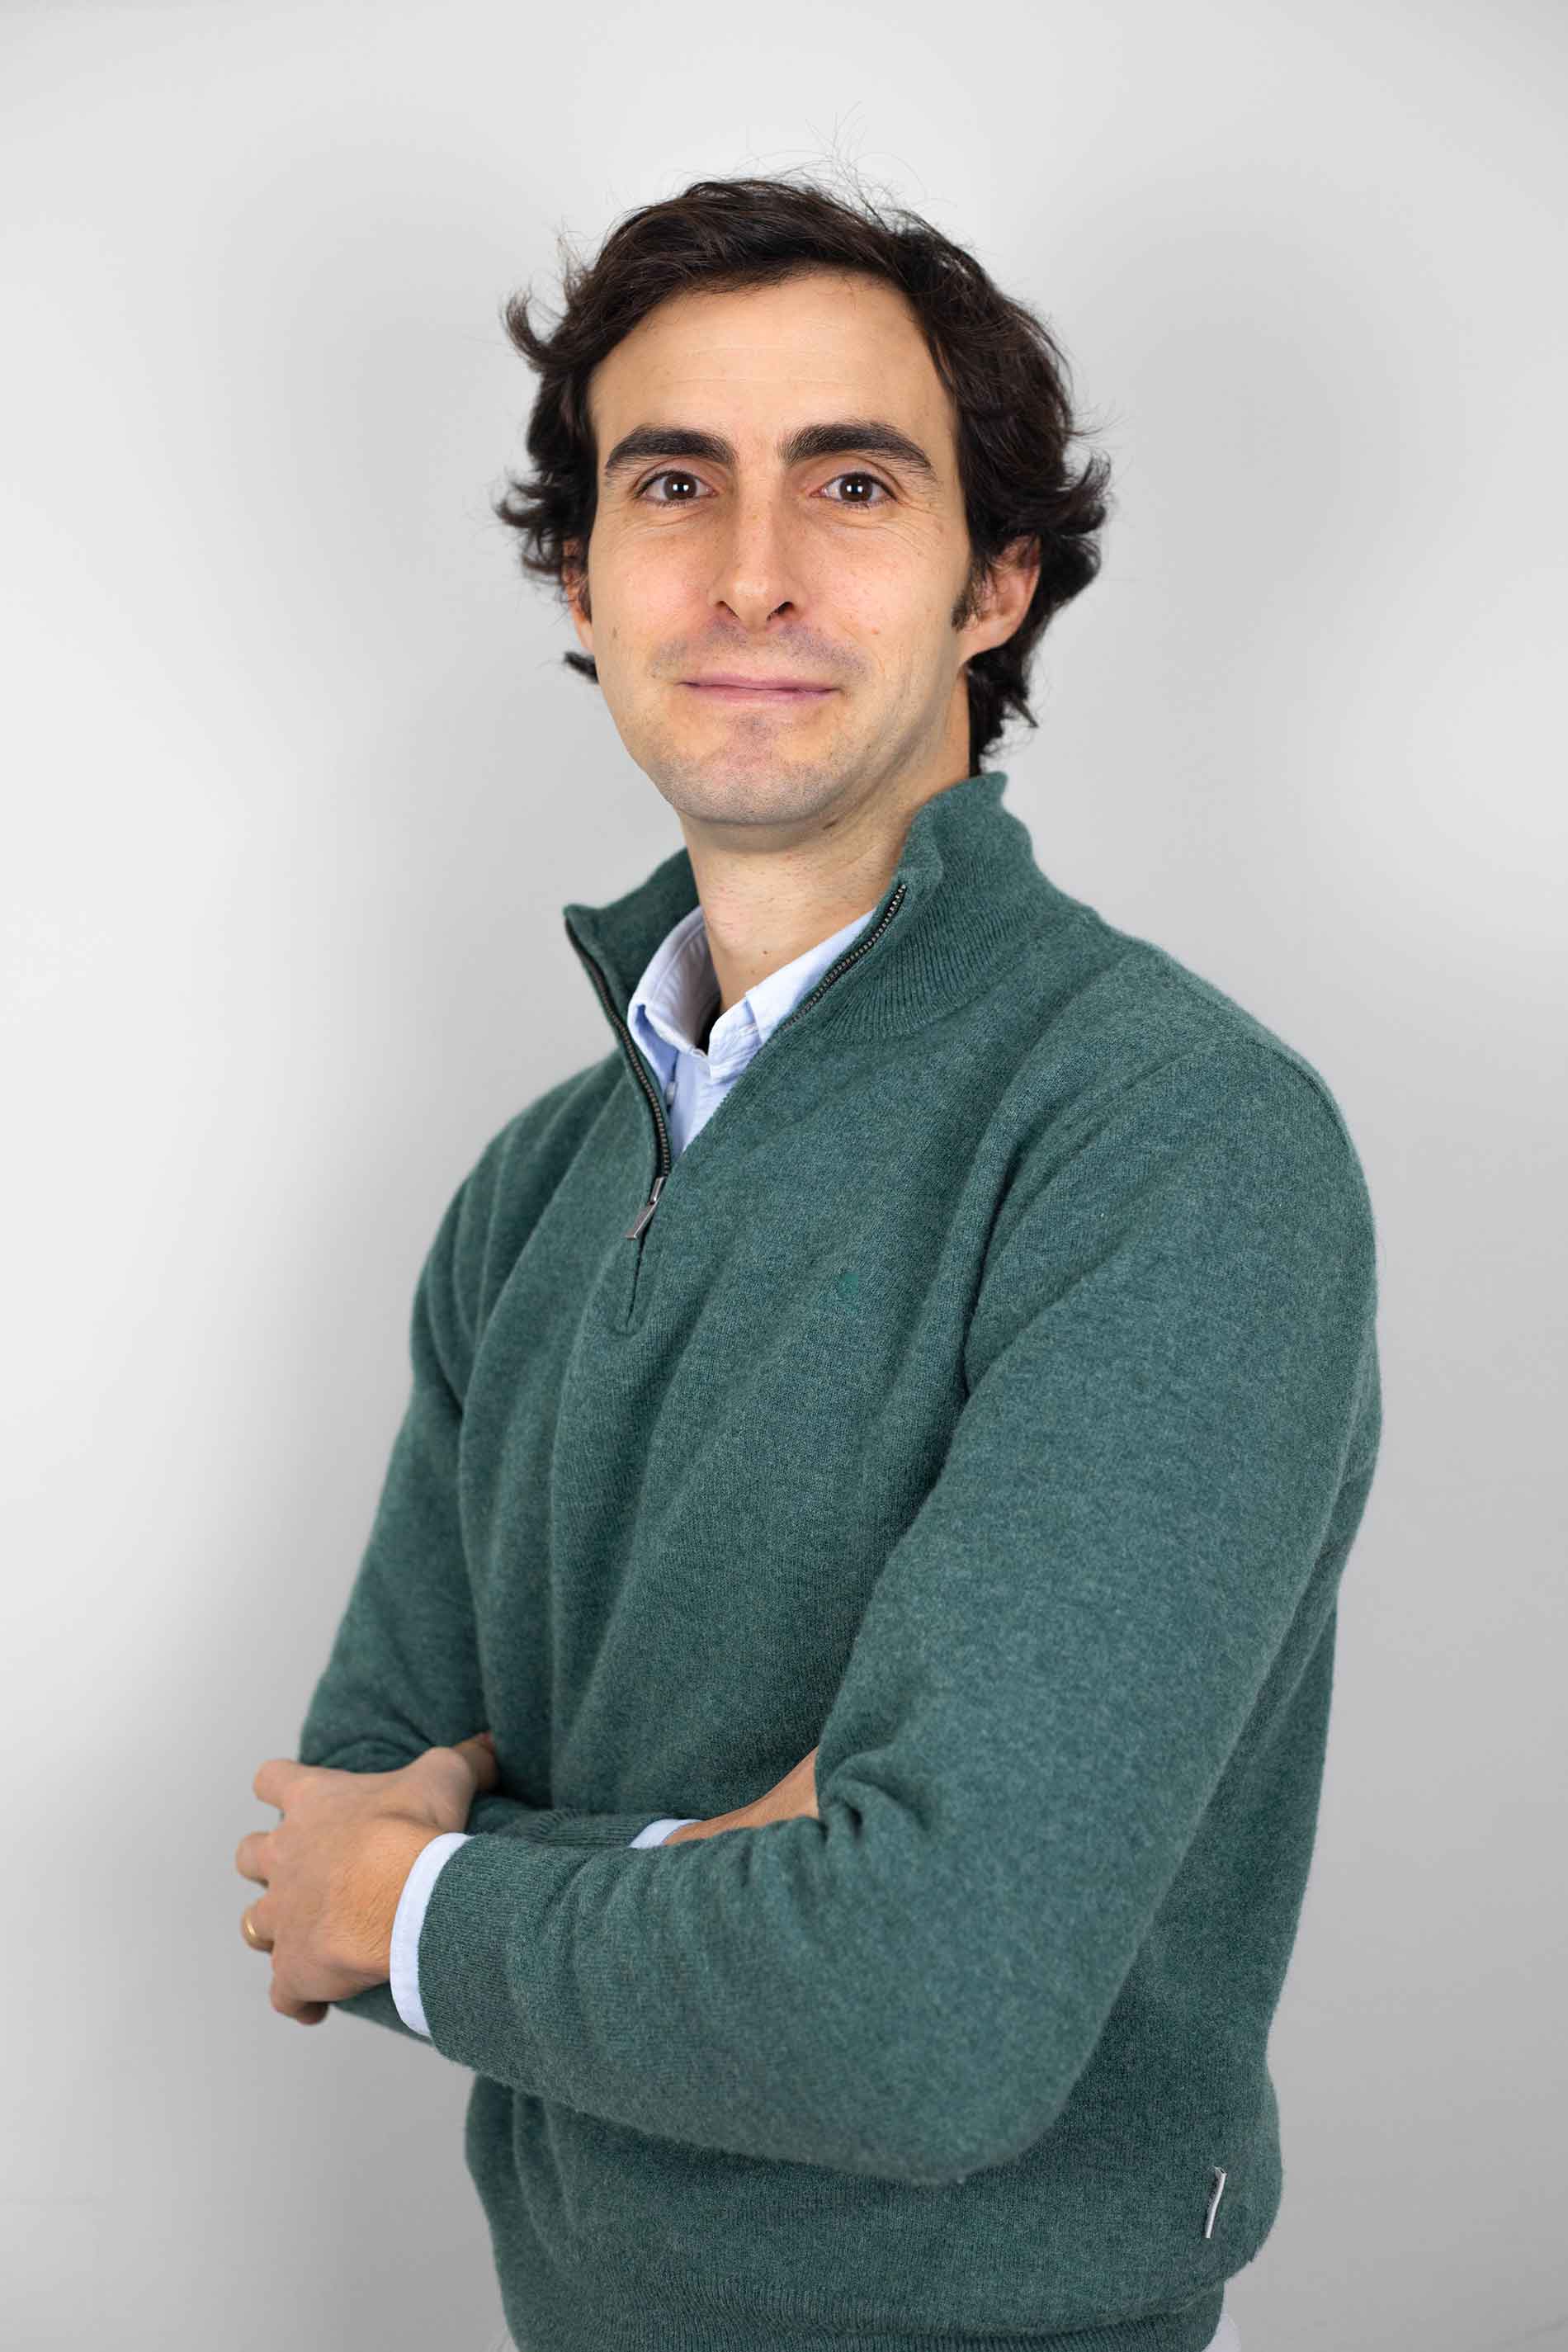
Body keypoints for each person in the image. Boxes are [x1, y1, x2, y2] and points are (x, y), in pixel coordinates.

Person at [242, 171, 1378, 2352]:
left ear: (993, 581)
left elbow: (924, 2012)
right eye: (673, 482)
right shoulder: (530, 1187)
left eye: (853, 483)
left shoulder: (1167, 1136)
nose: (751, 568)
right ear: (581, 573)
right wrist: (706, 1869)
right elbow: (327, 1848)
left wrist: (440, 1894)